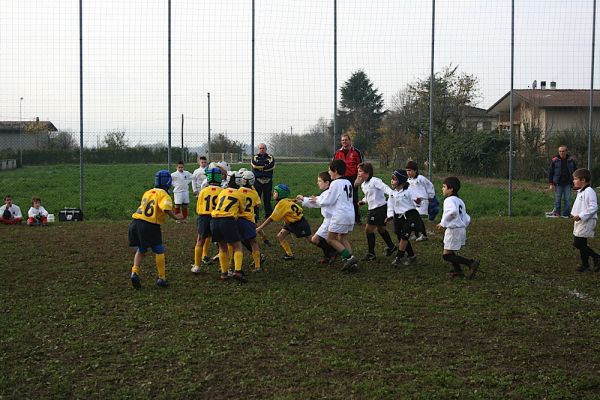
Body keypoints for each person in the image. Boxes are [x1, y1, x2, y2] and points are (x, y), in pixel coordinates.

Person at [128, 170, 182, 289]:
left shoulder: (148, 192)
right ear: (167, 182)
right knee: (159, 251)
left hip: (136, 222)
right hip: (150, 225)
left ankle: (134, 272)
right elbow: (165, 208)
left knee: (141, 249)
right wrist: (176, 217)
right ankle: (162, 278)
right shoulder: (163, 194)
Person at [305, 159, 358, 272]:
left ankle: (349, 258)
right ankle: (352, 264)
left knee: (330, 239)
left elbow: (328, 200)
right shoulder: (348, 182)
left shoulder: (335, 183)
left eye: (330, 170)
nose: (329, 173)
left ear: (336, 171)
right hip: (350, 214)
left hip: (340, 215)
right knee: (343, 238)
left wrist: (317, 200)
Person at [436, 177, 479, 279]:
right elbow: (467, 217)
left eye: (444, 187)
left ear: (451, 189)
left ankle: (471, 263)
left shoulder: (449, 200)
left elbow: (453, 212)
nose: (442, 189)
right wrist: (462, 225)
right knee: (450, 251)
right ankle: (458, 271)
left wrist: (443, 223)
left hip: (454, 230)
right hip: (460, 229)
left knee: (446, 255)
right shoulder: (460, 201)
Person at [256, 184, 311, 261]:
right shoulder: (285, 200)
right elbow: (290, 201)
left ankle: (327, 247)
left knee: (312, 240)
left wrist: (260, 228)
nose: (273, 194)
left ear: (280, 194)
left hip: (299, 224)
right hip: (290, 223)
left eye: (275, 192)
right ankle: (289, 255)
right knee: (280, 236)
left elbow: (271, 218)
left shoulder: (281, 203)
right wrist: (295, 200)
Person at [355, 162, 397, 261]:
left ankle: (371, 254)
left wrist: (393, 194)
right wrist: (364, 201)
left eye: (360, 171)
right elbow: (368, 196)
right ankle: (391, 247)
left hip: (378, 209)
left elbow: (385, 188)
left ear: (367, 172)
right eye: (358, 171)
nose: (358, 174)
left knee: (368, 229)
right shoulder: (364, 185)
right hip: (375, 209)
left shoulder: (375, 181)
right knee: (381, 229)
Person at [210, 175, 246, 282]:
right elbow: (242, 210)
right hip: (228, 220)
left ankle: (224, 273)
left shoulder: (222, 192)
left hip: (215, 220)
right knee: (238, 246)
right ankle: (238, 272)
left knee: (222, 247)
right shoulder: (240, 194)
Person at [296, 171, 338, 264]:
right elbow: (317, 201)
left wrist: (304, 199)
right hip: (329, 220)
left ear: (327, 183)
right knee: (325, 239)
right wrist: (304, 200)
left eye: (319, 181)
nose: (317, 183)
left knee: (315, 239)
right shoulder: (327, 193)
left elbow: (318, 202)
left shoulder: (328, 193)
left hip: (330, 221)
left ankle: (334, 252)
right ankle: (329, 255)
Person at [190, 167, 223, 274]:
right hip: (217, 218)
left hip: (204, 217)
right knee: (222, 243)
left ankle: (197, 266)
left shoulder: (203, 191)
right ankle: (225, 267)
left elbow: (198, 207)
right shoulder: (222, 191)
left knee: (200, 240)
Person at [386, 169, 420, 267]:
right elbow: (390, 205)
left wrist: (418, 201)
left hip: (410, 216)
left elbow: (416, 200)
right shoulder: (392, 193)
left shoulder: (409, 191)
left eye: (395, 179)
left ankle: (398, 258)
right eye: (392, 179)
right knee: (400, 235)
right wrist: (389, 216)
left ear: (401, 180)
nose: (392, 181)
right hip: (398, 217)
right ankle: (411, 255)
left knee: (404, 236)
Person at [570, 168, 600, 272]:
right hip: (580, 221)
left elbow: (593, 207)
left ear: (583, 180)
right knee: (582, 243)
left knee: (577, 243)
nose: (573, 181)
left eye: (575, 179)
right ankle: (585, 265)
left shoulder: (589, 191)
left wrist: (581, 216)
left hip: (587, 221)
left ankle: (597, 257)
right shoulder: (581, 191)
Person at [235, 170, 264, 273]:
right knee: (253, 242)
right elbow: (258, 205)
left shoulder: (237, 192)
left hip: (237, 220)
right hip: (249, 220)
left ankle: (233, 267)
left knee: (236, 243)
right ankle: (257, 266)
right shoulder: (254, 193)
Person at [333, 133, 363, 224]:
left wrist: (358, 178)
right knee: (341, 198)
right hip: (341, 178)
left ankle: (356, 219)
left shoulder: (356, 152)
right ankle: (342, 218)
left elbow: (360, 166)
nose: (344, 142)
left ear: (350, 141)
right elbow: (333, 166)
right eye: (342, 140)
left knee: (353, 198)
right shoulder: (338, 153)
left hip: (352, 178)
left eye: (346, 140)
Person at [405, 160, 436, 241]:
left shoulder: (420, 178)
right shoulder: (408, 181)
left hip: (422, 202)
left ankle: (423, 235)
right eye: (407, 171)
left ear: (415, 170)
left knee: (417, 218)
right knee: (413, 218)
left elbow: (430, 186)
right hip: (413, 202)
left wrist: (430, 196)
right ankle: (416, 234)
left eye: (410, 170)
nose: (408, 172)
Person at [546, 145, 577, 218]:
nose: (561, 153)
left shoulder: (571, 160)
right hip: (558, 183)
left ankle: (566, 214)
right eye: (560, 151)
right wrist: (551, 184)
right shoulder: (554, 160)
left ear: (566, 151)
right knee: (557, 199)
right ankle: (557, 213)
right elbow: (551, 172)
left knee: (567, 199)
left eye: (563, 151)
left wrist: (575, 183)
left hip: (568, 183)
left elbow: (575, 171)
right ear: (558, 152)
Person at [251, 143, 275, 221]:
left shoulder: (270, 157)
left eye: (263, 148)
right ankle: (255, 216)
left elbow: (271, 166)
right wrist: (265, 166)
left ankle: (268, 216)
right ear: (258, 149)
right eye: (260, 148)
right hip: (257, 181)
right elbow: (254, 165)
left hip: (268, 181)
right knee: (256, 199)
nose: (262, 150)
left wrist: (260, 168)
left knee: (267, 199)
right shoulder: (255, 157)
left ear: (266, 149)